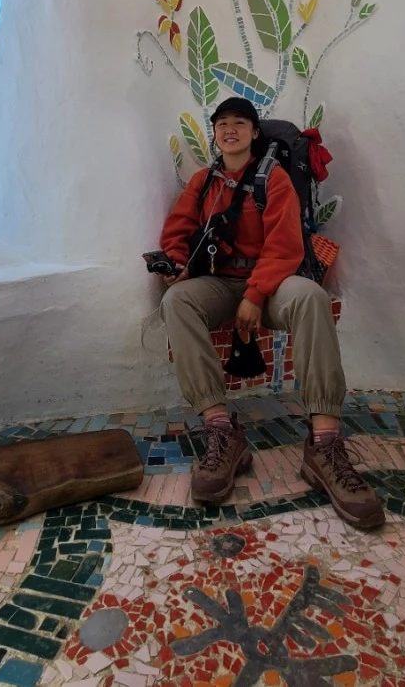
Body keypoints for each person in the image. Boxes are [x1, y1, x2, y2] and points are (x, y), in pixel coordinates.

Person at [158, 96, 384, 529]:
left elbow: (285, 246)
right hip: (219, 282)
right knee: (177, 301)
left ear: (254, 132)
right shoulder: (203, 181)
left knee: (311, 297)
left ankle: (324, 442)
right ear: (215, 134)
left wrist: (257, 293)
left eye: (239, 123)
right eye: (222, 124)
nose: (230, 130)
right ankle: (221, 429)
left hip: (273, 282)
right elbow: (179, 229)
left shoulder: (274, 178)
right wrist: (177, 263)